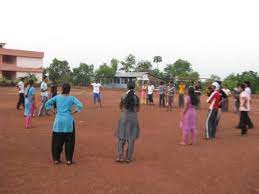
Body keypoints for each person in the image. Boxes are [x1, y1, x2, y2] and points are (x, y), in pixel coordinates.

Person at [45, 83, 83, 165]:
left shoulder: (57, 97)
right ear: (69, 90)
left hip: (58, 122)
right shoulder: (72, 98)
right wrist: (73, 112)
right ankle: (69, 160)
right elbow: (80, 105)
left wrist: (53, 111)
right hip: (68, 121)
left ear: (62, 89)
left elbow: (47, 104)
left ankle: (56, 159)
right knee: (69, 141)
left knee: (56, 141)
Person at [115, 82, 140, 163]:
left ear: (127, 87)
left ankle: (119, 157)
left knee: (121, 137)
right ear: (134, 87)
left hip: (124, 117)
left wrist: (124, 111)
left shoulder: (123, 96)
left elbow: (120, 107)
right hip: (133, 118)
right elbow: (138, 109)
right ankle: (128, 158)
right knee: (131, 139)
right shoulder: (137, 97)